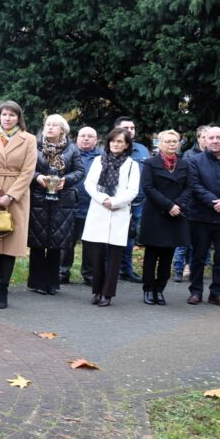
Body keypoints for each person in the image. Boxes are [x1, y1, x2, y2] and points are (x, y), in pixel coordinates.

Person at [0, 100, 37, 309]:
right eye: (4, 115)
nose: (7, 119)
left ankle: (4, 290)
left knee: (9, 245)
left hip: (16, 196)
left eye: (12, 115)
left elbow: (28, 171)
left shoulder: (28, 139)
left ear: (18, 118)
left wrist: (10, 196)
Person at [81, 128, 140, 307]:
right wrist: (103, 199)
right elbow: (89, 183)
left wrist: (114, 202)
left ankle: (108, 293)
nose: (116, 144)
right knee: (97, 254)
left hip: (119, 212)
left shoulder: (132, 164)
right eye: (113, 141)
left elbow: (133, 190)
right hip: (99, 209)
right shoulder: (99, 160)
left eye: (120, 142)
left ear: (127, 145)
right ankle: (97, 290)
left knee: (115, 257)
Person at [26, 114, 84, 295]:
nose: (50, 127)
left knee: (55, 242)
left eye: (54, 125)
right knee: (37, 242)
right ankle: (35, 281)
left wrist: (65, 180)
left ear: (63, 130)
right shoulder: (34, 146)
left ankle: (51, 283)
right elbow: (27, 168)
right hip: (38, 198)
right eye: (48, 124)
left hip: (62, 200)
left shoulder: (71, 149)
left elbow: (80, 171)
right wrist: (38, 177)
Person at [138, 130, 192, 305]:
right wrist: (168, 205)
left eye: (175, 141)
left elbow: (189, 188)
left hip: (176, 214)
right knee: (151, 255)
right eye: (168, 141)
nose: (172, 144)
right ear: (159, 143)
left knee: (168, 255)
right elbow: (148, 187)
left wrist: (178, 206)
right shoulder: (150, 163)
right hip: (155, 214)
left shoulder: (184, 164)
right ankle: (148, 289)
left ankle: (159, 289)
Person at [185, 126, 220, 308]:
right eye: (210, 137)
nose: (214, 140)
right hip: (200, 217)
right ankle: (196, 291)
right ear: (205, 140)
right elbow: (194, 185)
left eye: (218, 137)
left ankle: (217, 293)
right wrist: (215, 202)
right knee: (198, 257)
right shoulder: (195, 161)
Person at [59, 126, 101, 285]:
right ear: (77, 139)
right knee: (67, 242)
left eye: (90, 136)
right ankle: (62, 272)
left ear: (96, 140)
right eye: (83, 136)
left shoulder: (101, 157)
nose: (86, 139)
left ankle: (89, 274)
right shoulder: (69, 155)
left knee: (90, 243)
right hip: (70, 204)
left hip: (93, 206)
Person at [114, 117, 150, 283]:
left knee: (130, 238)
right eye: (125, 127)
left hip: (138, 202)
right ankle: (110, 270)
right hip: (116, 202)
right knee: (112, 238)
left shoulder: (142, 150)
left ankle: (126, 270)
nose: (130, 130)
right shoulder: (109, 148)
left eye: (132, 127)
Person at [173, 125, 210, 282]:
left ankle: (195, 268)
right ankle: (178, 269)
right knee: (183, 241)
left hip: (208, 204)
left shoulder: (214, 156)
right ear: (199, 138)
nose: (207, 140)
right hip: (191, 204)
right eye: (204, 137)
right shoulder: (189, 155)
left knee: (202, 241)